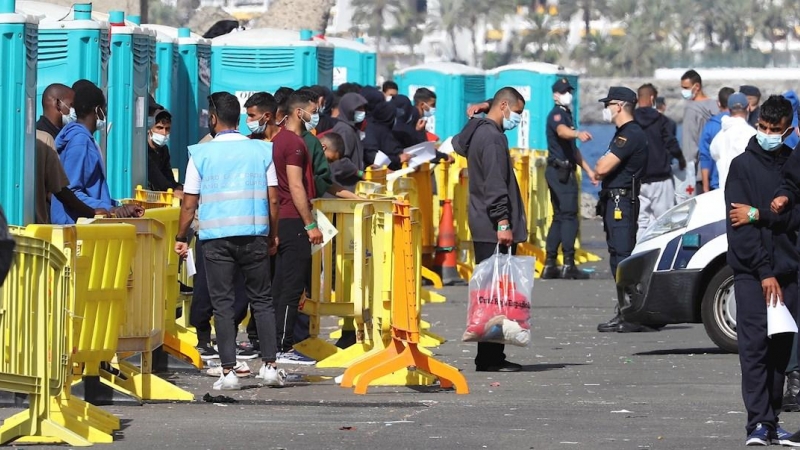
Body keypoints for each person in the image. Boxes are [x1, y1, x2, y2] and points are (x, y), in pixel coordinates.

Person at [174, 91, 285, 390]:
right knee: (261, 300)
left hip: (216, 239)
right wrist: (273, 234)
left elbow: (188, 203)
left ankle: (228, 371)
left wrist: (181, 236)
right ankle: (271, 366)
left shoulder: (200, 153)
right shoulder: (262, 151)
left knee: (222, 304)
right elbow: (273, 199)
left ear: (212, 118)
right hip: (254, 234)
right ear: (239, 118)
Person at [724, 95, 800, 446]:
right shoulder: (742, 166)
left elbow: (792, 218)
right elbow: (740, 225)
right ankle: (757, 423)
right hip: (753, 274)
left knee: (781, 353)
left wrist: (762, 214)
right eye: (764, 128)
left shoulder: (792, 164)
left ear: (788, 130)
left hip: (789, 272)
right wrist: (763, 271)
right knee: (753, 349)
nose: (768, 134)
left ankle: (772, 420)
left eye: (775, 130)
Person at [452, 87, 527, 372]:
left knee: (489, 293)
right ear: (504, 106)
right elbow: (496, 185)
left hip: (481, 224)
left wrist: (478, 113)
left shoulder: (478, 132)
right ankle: (490, 358)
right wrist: (503, 222)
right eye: (517, 112)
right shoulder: (493, 139)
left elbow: (458, 143)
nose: (517, 118)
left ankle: (491, 356)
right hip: (494, 227)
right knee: (496, 295)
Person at [272, 91, 323, 365]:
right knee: (292, 287)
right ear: (298, 112)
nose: (314, 115)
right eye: (312, 110)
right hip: (294, 220)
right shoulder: (294, 144)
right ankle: (284, 346)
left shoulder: (277, 140)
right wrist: (310, 223)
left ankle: (275, 346)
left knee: (280, 286)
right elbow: (295, 185)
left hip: (280, 218)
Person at [593, 87, 648, 334]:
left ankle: (632, 313)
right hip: (615, 201)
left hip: (622, 202)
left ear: (619, 106)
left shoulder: (631, 134)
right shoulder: (623, 134)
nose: (606, 109)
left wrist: (600, 167)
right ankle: (624, 310)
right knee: (617, 257)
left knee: (623, 257)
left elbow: (602, 167)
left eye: (609, 104)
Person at [50, 82, 142, 224]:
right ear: (98, 110)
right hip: (74, 227)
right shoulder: (79, 141)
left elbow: (91, 191)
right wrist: (108, 209)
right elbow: (71, 191)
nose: (105, 113)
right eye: (104, 109)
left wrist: (117, 207)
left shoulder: (82, 138)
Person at [541, 78, 595, 280]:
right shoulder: (556, 115)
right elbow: (562, 133)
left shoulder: (567, 115)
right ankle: (568, 263)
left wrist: (589, 170)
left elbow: (573, 151)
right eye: (564, 92)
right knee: (569, 216)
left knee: (559, 217)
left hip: (563, 168)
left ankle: (550, 264)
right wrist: (577, 133)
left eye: (569, 91)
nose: (568, 95)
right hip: (560, 173)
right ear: (555, 95)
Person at [35, 83, 104, 224]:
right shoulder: (46, 139)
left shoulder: (60, 136)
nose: (76, 111)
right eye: (72, 106)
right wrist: (93, 210)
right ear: (58, 104)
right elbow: (61, 190)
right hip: (52, 222)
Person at [633, 83, 684, 240]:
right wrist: (680, 158)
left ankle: (639, 255)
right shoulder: (661, 121)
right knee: (664, 222)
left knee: (640, 222)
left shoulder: (631, 121)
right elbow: (671, 142)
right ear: (652, 98)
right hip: (660, 178)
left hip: (638, 179)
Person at [680, 70, 719, 194]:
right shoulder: (715, 106)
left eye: (685, 87)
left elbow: (689, 142)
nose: (683, 91)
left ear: (696, 86)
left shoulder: (691, 109)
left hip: (701, 169)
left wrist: (686, 164)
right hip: (718, 167)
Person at [709, 93, 756, 191]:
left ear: (729, 109)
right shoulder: (751, 133)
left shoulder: (720, 135)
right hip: (746, 192)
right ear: (748, 108)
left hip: (724, 190)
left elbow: (713, 153)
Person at [698, 87, 735, 193]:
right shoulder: (742, 125)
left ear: (718, 103)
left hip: (716, 184)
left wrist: (705, 187)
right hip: (738, 184)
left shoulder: (710, 126)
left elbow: (705, 157)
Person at [363, 100, 412, 170]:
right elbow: (373, 156)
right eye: (394, 117)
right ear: (389, 118)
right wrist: (398, 159)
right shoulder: (378, 132)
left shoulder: (376, 129)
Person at [146, 106, 183, 195]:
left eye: (167, 129)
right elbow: (155, 175)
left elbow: (167, 173)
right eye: (159, 128)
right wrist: (173, 190)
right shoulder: (144, 151)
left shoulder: (164, 150)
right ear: (149, 130)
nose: (164, 133)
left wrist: (176, 186)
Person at [332, 92, 368, 172]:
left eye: (363, 108)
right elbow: (342, 160)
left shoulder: (352, 128)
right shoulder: (344, 130)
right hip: (344, 182)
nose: (362, 111)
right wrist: (360, 174)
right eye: (358, 109)